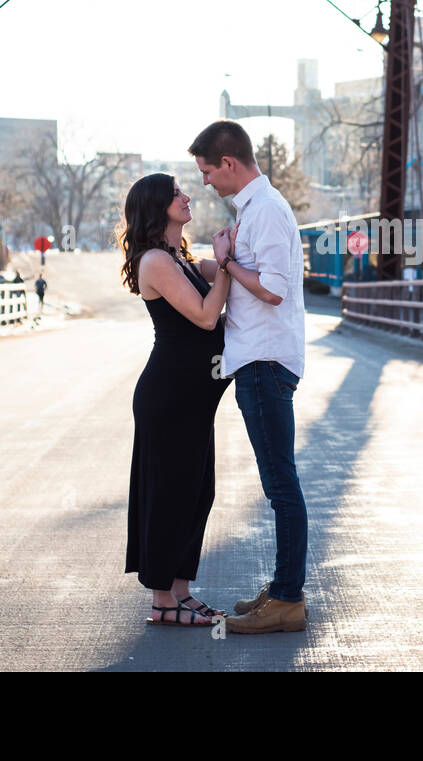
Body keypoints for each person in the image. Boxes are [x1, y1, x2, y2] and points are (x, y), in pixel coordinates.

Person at [190, 119, 308, 635]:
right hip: (260, 360)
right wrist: (218, 262)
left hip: (265, 361)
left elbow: (274, 289)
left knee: (281, 485)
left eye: (207, 171)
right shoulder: (255, 209)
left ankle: (287, 599)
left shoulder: (267, 211)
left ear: (229, 163)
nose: (205, 182)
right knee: (280, 483)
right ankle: (283, 589)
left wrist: (226, 262)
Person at [119, 172, 236, 627]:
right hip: (169, 397)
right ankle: (162, 600)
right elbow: (207, 316)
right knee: (168, 495)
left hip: (193, 398)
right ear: (156, 206)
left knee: (196, 493)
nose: (187, 196)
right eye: (175, 193)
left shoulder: (180, 258)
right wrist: (225, 265)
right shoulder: (154, 262)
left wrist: (231, 253)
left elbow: (229, 273)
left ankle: (181, 593)